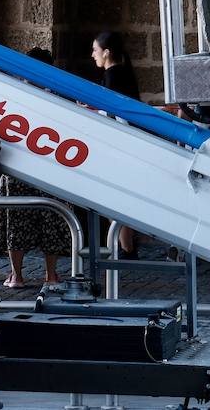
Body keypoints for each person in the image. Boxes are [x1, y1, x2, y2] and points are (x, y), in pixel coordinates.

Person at [0, 47, 70, 288]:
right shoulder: (58, 96)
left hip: (18, 164)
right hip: (50, 165)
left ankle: (16, 275)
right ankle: (50, 274)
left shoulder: (13, 93)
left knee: (16, 220)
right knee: (53, 219)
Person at [91, 31, 141, 258]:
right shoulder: (122, 73)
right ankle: (125, 246)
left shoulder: (112, 75)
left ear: (106, 52)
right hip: (127, 143)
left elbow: (110, 110)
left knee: (114, 199)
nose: (93, 55)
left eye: (95, 50)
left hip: (117, 144)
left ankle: (126, 247)